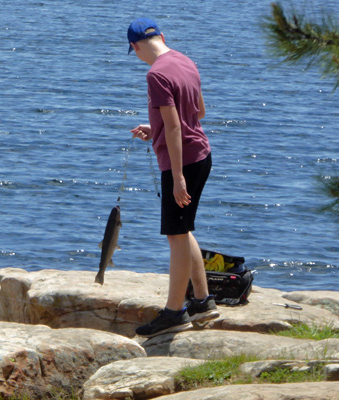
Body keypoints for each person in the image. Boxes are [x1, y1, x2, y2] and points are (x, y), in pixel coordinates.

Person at [128, 17, 220, 337]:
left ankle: (173, 312)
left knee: (176, 235)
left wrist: (178, 176)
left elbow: (178, 126)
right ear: (162, 37)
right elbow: (198, 113)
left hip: (183, 163)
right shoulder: (185, 60)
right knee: (183, 228)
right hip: (202, 155)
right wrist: (157, 129)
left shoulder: (155, 74)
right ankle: (202, 301)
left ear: (136, 47)